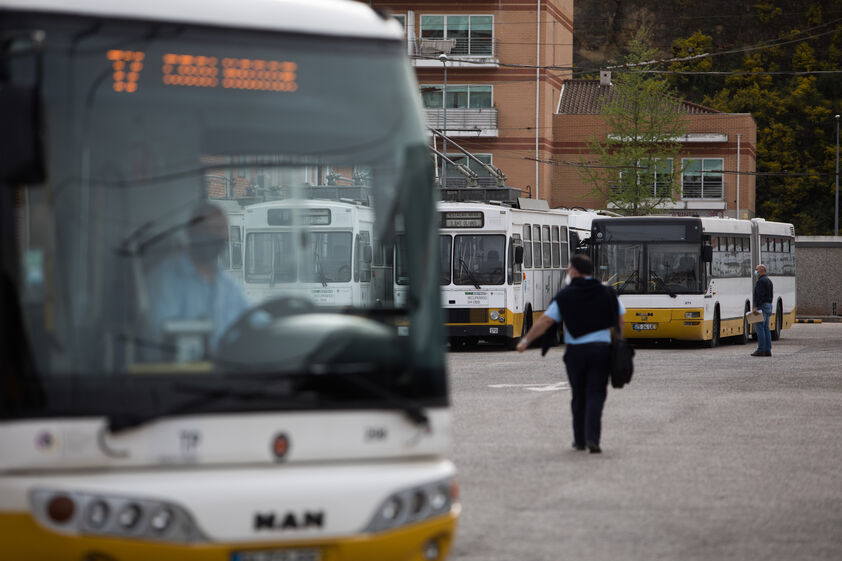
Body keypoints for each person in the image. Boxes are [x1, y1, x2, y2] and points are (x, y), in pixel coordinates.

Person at [516, 254, 625, 454]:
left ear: (574, 271)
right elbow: (620, 319)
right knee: (596, 393)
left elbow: (545, 321)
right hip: (601, 350)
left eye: (568, 268)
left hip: (576, 353)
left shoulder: (565, 295)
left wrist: (525, 340)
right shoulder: (607, 292)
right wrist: (618, 342)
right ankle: (593, 437)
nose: (567, 272)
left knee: (579, 395)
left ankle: (580, 440)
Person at [144, 202, 249, 360]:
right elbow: (158, 338)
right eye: (210, 229)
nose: (219, 236)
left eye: (223, 230)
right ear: (191, 232)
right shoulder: (165, 280)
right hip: (183, 379)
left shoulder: (228, 285)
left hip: (228, 375)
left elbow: (255, 322)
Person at [751, 263, 774, 357]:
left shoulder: (761, 281)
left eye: (757, 270)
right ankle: (768, 349)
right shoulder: (768, 281)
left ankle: (761, 349)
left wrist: (757, 307)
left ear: (761, 271)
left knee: (760, 327)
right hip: (769, 305)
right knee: (766, 328)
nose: (755, 272)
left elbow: (760, 295)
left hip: (762, 306)